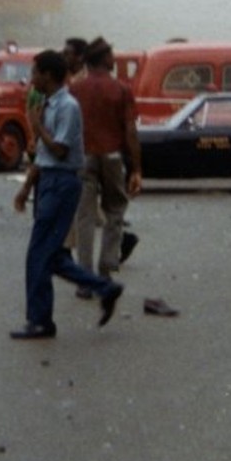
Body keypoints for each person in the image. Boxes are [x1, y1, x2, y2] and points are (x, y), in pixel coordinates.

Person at [10, 49, 123, 339]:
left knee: (38, 254)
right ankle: (104, 288)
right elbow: (44, 154)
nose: (31, 78)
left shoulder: (67, 107)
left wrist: (37, 129)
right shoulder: (48, 104)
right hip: (48, 181)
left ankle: (39, 320)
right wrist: (25, 188)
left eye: (35, 72)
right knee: (55, 255)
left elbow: (59, 150)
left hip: (61, 183)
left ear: (48, 75)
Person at [70, 37, 142, 286]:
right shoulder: (121, 89)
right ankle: (107, 265)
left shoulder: (75, 90)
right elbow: (130, 131)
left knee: (85, 217)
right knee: (115, 209)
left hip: (83, 157)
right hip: (112, 156)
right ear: (103, 59)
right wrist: (136, 168)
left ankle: (84, 277)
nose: (114, 58)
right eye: (111, 54)